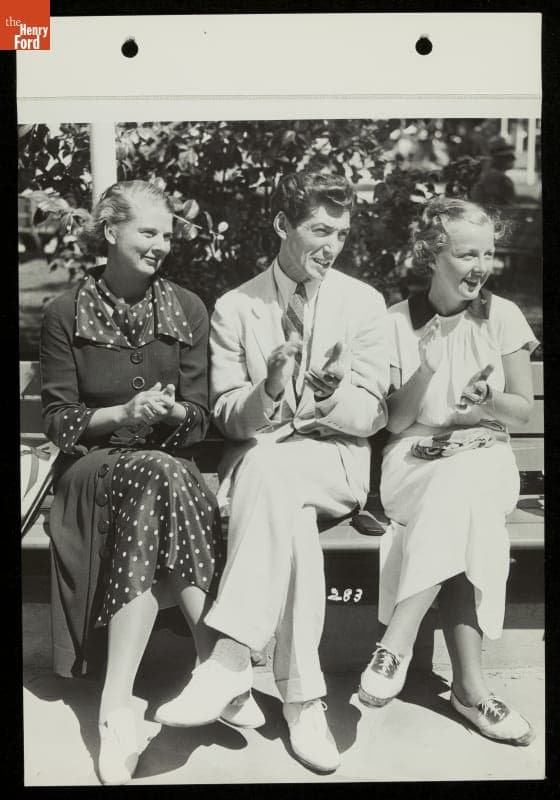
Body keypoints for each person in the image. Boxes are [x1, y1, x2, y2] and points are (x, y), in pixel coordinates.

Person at [155, 170, 390, 772]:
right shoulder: (237, 306)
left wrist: (334, 394)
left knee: (273, 471)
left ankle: (229, 659)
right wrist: (272, 387)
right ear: (284, 225)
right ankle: (305, 701)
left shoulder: (361, 302)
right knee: (286, 516)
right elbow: (230, 419)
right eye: (319, 229)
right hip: (265, 474)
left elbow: (374, 413)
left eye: (340, 232)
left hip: (333, 464)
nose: (331, 245)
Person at [40, 180, 235, 785]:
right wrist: (123, 416)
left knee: (163, 474)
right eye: (148, 232)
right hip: (91, 472)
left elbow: (199, 418)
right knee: (162, 473)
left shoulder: (188, 309)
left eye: (168, 234)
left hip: (165, 475)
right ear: (110, 232)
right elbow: (58, 420)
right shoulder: (63, 312)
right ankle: (221, 664)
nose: (161, 245)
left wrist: (172, 413)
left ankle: (115, 711)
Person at [358, 197, 537, 746]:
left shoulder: (501, 315)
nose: (480, 266)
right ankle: (472, 692)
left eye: (487, 253)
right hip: (413, 462)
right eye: (466, 254)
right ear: (431, 256)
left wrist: (486, 402)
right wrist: (425, 369)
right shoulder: (394, 322)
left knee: (463, 488)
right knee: (464, 511)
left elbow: (523, 408)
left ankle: (398, 639)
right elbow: (397, 422)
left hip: (486, 454)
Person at [471, 135, 517, 207]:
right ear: (499, 159)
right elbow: (498, 206)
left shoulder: (491, 175)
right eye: (509, 156)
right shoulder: (497, 177)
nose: (514, 159)